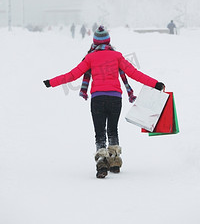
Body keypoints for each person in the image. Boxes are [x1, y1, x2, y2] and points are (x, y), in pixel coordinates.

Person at [43, 26, 165, 179]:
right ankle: (114, 161)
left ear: (94, 41)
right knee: (113, 130)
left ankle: (102, 162)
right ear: (108, 41)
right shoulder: (117, 56)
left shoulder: (90, 58)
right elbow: (135, 74)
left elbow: (72, 75)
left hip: (98, 99)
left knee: (100, 133)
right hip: (115, 99)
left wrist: (51, 82)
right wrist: (156, 84)